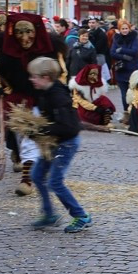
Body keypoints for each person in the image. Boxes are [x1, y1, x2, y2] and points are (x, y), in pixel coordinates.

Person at [0, 12, 68, 195]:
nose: (24, 37)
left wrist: (57, 94)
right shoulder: (3, 48)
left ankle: (27, 180)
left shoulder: (51, 48)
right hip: (17, 101)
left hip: (42, 100)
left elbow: (61, 73)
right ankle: (28, 164)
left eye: (28, 32)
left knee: (33, 139)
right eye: (19, 32)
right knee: (22, 138)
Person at [27, 56, 91, 233]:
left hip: (66, 143)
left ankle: (81, 216)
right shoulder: (43, 92)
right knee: (37, 175)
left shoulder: (58, 96)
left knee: (55, 181)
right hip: (54, 141)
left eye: (34, 76)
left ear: (46, 77)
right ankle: (49, 214)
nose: (31, 79)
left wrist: (41, 131)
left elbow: (67, 127)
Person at [110, 20, 138, 112]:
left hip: (132, 69)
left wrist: (122, 49)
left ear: (129, 28)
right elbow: (112, 53)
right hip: (121, 69)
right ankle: (126, 112)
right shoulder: (116, 38)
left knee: (134, 93)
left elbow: (135, 51)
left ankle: (134, 113)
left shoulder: (134, 38)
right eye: (123, 29)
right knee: (124, 94)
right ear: (119, 29)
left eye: (126, 28)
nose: (125, 30)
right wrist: (124, 56)